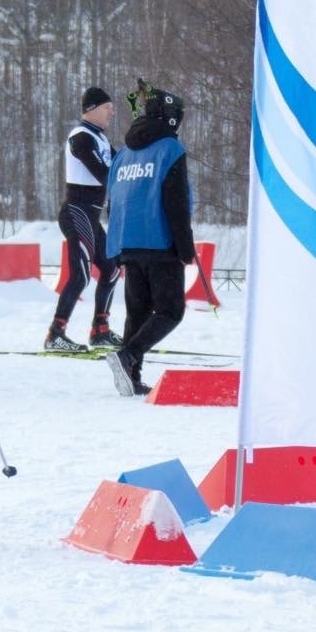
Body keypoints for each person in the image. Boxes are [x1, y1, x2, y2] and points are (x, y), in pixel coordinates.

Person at [103, 84, 195, 397]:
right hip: (160, 242)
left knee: (138, 312)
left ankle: (131, 374)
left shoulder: (124, 153)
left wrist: (115, 246)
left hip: (127, 241)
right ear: (172, 117)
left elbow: (113, 200)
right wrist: (185, 248)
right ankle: (128, 355)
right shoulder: (171, 150)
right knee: (170, 311)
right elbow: (177, 202)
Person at [44, 85, 123, 352]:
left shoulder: (100, 138)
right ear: (92, 109)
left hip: (90, 215)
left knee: (112, 269)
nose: (112, 111)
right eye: (107, 107)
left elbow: (120, 166)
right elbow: (104, 174)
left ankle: (100, 330)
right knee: (80, 276)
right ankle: (56, 334)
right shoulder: (81, 137)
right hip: (76, 212)